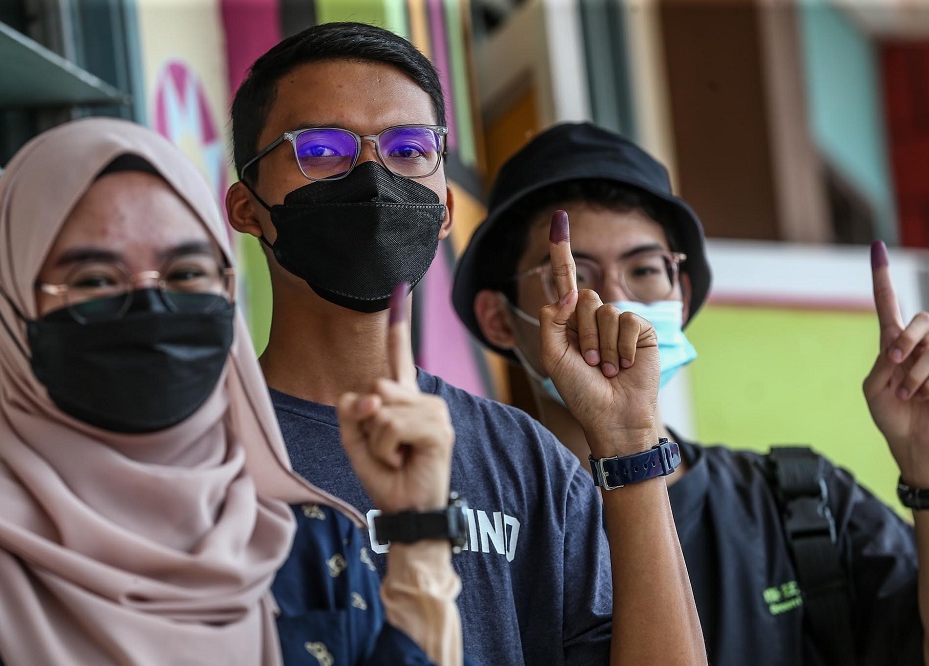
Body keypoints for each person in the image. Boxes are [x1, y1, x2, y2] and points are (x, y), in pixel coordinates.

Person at [225, 21, 706, 665]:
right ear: (245, 208)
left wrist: (627, 442)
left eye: (408, 148)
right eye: (321, 149)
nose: (372, 174)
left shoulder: (525, 460)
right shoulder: (207, 448)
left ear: (445, 208)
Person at [452, 121, 929, 666]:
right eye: (573, 276)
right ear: (498, 319)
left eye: (644, 269)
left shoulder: (802, 506)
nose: (614, 302)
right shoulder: (479, 536)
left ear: (680, 298)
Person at [0, 116, 466, 665]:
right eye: (95, 281)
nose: (152, 308)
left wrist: (420, 540)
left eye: (186, 273)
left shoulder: (310, 542)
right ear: (11, 304)